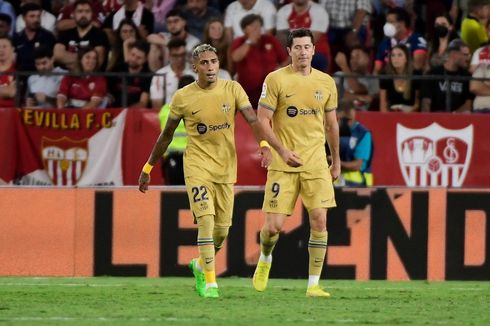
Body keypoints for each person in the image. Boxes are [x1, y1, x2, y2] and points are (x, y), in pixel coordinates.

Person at [138, 44, 271, 298]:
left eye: (213, 62)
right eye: (205, 63)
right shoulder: (183, 97)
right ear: (194, 67)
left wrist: (264, 145)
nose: (210, 67)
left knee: (221, 230)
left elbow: (253, 119)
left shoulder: (232, 88)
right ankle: (211, 283)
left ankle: (199, 266)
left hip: (225, 168)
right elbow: (166, 136)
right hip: (197, 166)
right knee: (206, 221)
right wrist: (148, 167)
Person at [252, 28, 340, 297]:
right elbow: (262, 120)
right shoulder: (276, 79)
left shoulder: (326, 82)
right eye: (297, 47)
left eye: (307, 47)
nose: (303, 52)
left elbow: (331, 125)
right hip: (284, 163)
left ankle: (313, 284)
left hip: (315, 162)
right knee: (273, 228)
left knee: (319, 221)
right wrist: (279, 149)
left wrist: (336, 161)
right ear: (289, 51)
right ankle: (265, 258)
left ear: (314, 50)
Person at [230, 14, 288, 107]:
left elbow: (285, 60)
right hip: (248, 90)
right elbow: (236, 57)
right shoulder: (239, 41)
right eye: (252, 26)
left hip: (271, 88)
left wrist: (280, 69)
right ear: (244, 30)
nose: (256, 28)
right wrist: (249, 42)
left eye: (258, 26)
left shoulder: (270, 40)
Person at [158, 75, 196, 185]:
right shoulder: (198, 110)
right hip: (186, 158)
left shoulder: (165, 109)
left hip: (175, 159)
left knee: (174, 196)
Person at [421, 39, 473, 112]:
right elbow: (426, 102)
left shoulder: (467, 76)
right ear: (453, 54)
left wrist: (451, 117)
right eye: (465, 55)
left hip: (457, 119)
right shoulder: (433, 74)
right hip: (435, 118)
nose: (468, 58)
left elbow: (468, 105)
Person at [337, 104, 373, 186]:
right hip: (335, 183)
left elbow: (357, 165)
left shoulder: (363, 134)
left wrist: (335, 163)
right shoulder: (332, 130)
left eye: (349, 119)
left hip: (358, 185)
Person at [379, 44, 421, 112]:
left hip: (410, 115)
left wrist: (405, 115)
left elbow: (417, 104)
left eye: (399, 55)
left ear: (406, 58)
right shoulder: (385, 76)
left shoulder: (416, 75)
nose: (395, 58)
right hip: (391, 115)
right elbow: (383, 105)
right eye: (393, 55)